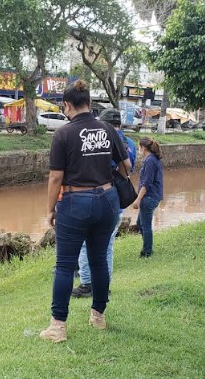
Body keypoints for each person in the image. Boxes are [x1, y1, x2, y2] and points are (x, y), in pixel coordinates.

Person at [40, 80, 131, 343]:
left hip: (75, 202)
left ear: (67, 105)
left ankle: (58, 327)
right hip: (107, 201)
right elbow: (126, 166)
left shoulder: (63, 134)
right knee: (99, 259)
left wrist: (50, 210)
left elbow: (56, 177)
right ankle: (98, 316)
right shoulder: (107, 129)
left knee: (65, 265)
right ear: (89, 103)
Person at [71, 108, 137, 298]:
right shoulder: (130, 143)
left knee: (86, 243)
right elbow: (128, 168)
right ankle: (103, 285)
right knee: (107, 245)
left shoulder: (102, 139)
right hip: (119, 200)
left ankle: (87, 284)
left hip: (100, 196)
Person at [132, 137, 164, 258]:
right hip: (152, 196)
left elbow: (147, 183)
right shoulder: (151, 159)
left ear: (143, 148)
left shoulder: (150, 161)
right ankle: (146, 247)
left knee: (145, 226)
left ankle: (147, 252)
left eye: (138, 147)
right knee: (140, 223)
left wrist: (138, 199)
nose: (138, 149)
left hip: (149, 197)